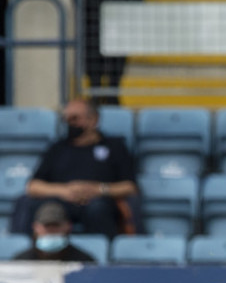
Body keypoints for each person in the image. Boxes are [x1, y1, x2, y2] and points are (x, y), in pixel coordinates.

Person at [10, 97, 141, 239]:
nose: (69, 123)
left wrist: (97, 189)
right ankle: (19, 254)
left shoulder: (115, 146)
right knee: (26, 203)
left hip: (98, 202)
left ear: (93, 120)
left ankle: (101, 256)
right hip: (60, 201)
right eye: (66, 119)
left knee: (97, 209)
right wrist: (65, 191)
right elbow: (33, 186)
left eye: (75, 118)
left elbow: (130, 187)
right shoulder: (57, 148)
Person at [13, 201, 96, 262]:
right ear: (35, 227)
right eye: (47, 226)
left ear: (68, 226)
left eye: (56, 226)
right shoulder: (21, 262)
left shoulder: (83, 262)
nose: (51, 231)